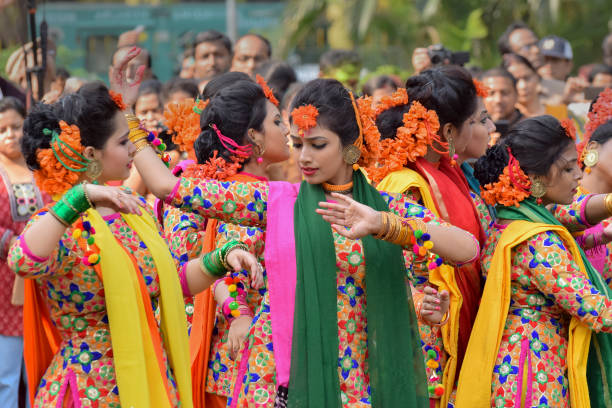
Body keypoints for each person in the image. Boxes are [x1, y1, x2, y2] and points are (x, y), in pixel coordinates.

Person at [128, 73, 480, 407]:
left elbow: (467, 249)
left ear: (351, 148)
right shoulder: (278, 202)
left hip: (355, 375)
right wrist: (127, 117)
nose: (304, 157)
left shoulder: (385, 209)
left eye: (318, 144)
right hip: (280, 377)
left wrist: (383, 225)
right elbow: (167, 187)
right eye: (297, 144)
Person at [8, 61, 263, 406]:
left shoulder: (131, 211)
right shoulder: (63, 222)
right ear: (91, 154)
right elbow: (22, 259)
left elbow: (169, 284)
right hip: (89, 389)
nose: (134, 150)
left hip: (150, 379)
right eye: (124, 141)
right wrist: (78, 199)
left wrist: (222, 259)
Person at [457, 115, 612, 407]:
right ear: (537, 181)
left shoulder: (514, 218)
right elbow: (595, 309)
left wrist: (598, 232)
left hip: (518, 363)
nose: (579, 176)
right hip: (535, 374)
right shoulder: (537, 240)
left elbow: (570, 215)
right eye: (567, 169)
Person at [163, 77, 290, 408]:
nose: (287, 129)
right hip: (238, 351)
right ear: (251, 135)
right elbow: (230, 258)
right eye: (277, 121)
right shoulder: (240, 194)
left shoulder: (250, 188)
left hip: (240, 344)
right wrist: (239, 313)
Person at [367, 66, 488, 406]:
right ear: (448, 131)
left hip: (448, 322)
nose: (488, 130)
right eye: (479, 121)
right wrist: (423, 304)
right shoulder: (404, 186)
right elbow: (392, 275)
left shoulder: (454, 175)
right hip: (422, 338)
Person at [0, 97, 46, 408]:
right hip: (4, 280)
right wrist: (11, 243)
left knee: (38, 367)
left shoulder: (39, 167)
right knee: (6, 372)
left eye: (16, 127)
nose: (10, 134)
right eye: (2, 129)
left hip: (41, 276)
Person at [481, 68, 524, 140]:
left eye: (505, 93)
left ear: (517, 95)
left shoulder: (529, 129)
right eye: (491, 93)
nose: (498, 100)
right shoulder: (473, 132)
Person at [502, 53, 548, 118]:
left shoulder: (560, 112)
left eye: (527, 78)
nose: (523, 86)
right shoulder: (504, 118)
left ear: (537, 77)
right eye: (516, 80)